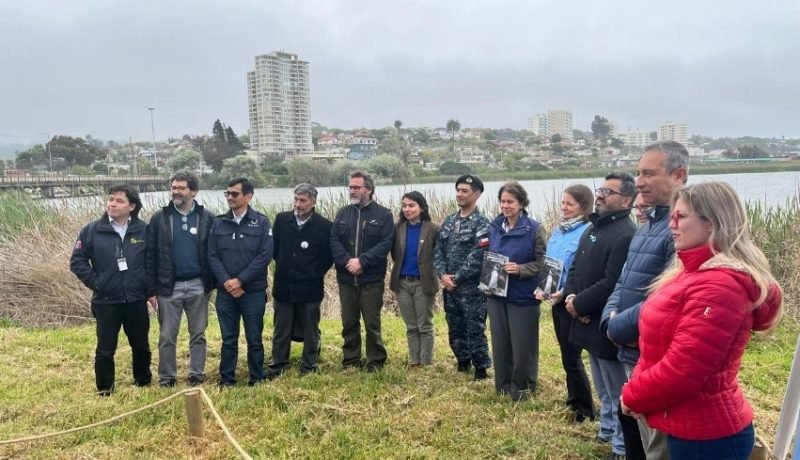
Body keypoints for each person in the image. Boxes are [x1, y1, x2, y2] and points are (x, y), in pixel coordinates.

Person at [621, 181, 783, 460]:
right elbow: (657, 348)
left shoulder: (719, 286)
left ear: (712, 223)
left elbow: (683, 369)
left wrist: (633, 395)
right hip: (684, 425)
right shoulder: (691, 272)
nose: (671, 224)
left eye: (681, 217)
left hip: (706, 437)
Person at [601, 140, 689, 460]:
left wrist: (617, 326)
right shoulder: (646, 227)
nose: (639, 181)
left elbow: (666, 298)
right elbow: (624, 281)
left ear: (678, 175)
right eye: (638, 173)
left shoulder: (681, 230)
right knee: (638, 436)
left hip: (654, 354)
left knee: (658, 445)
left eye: (649, 173)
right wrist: (609, 317)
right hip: (630, 348)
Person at [563, 172, 637, 459]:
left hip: (603, 320)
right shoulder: (592, 228)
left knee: (617, 387)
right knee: (602, 384)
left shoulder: (626, 233)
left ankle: (620, 444)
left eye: (609, 192)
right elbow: (575, 268)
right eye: (601, 190)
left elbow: (612, 282)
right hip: (583, 315)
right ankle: (606, 428)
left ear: (626, 200)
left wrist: (581, 305)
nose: (601, 195)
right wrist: (571, 298)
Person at [70, 184, 152, 395]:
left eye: (119, 201)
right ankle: (105, 388)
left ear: (132, 206)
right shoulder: (92, 230)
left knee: (141, 344)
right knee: (105, 348)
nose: (112, 204)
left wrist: (148, 290)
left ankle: (143, 381)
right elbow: (77, 261)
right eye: (111, 199)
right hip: (106, 300)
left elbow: (152, 262)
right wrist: (98, 283)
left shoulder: (143, 230)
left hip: (135, 299)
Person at [146, 172, 215, 388]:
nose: (176, 191)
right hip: (168, 287)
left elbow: (214, 252)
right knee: (167, 336)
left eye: (181, 188)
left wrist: (211, 284)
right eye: (173, 187)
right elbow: (150, 254)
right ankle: (167, 378)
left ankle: (196, 374)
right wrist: (151, 289)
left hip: (198, 285)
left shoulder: (207, 217)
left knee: (198, 334)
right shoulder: (160, 218)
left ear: (193, 191)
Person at [536, 184, 594, 420]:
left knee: (573, 357)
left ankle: (585, 410)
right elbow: (549, 264)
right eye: (563, 203)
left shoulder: (588, 231)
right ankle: (573, 399)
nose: (564, 207)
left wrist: (566, 292)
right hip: (555, 300)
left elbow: (581, 271)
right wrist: (544, 288)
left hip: (571, 299)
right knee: (564, 355)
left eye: (570, 204)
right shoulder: (559, 231)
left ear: (583, 206)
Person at [208, 178, 273, 387]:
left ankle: (257, 377)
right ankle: (227, 378)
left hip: (252, 291)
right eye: (227, 193)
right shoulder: (218, 222)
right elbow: (212, 256)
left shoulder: (262, 222)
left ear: (248, 196)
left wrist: (240, 280)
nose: (229, 198)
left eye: (234, 194)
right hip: (226, 293)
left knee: (254, 338)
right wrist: (227, 282)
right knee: (228, 339)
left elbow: (264, 255)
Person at [486, 181, 546, 401]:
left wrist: (520, 269)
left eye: (510, 201)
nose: (505, 206)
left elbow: (543, 263)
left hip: (522, 297)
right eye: (502, 201)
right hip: (496, 295)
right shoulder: (494, 226)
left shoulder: (534, 228)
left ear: (521, 203)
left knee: (523, 347)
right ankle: (502, 386)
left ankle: (523, 388)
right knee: (500, 344)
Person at [330, 171, 394, 372]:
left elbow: (385, 244)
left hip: (371, 279)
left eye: (357, 187)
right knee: (349, 322)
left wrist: (363, 262)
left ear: (369, 189)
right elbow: (333, 240)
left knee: (372, 323)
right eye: (351, 187)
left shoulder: (384, 215)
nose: (353, 190)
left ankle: (375, 361)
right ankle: (351, 360)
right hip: (346, 279)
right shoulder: (343, 213)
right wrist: (348, 261)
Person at [267, 183, 333, 378]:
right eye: (296, 199)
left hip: (310, 287)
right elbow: (275, 249)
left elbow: (328, 257)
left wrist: (312, 272)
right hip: (284, 285)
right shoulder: (281, 220)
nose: (298, 204)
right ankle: (278, 363)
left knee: (311, 328)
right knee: (281, 327)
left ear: (313, 202)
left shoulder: (324, 226)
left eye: (303, 200)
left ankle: (309, 364)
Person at [433, 175, 492, 380]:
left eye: (465, 191)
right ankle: (462, 361)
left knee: (475, 328)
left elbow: (478, 256)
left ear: (476, 194)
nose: (459, 194)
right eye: (458, 190)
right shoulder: (449, 221)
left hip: (471, 289)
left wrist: (456, 278)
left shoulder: (482, 223)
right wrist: (442, 275)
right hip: (450, 287)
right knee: (455, 326)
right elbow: (438, 250)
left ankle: (481, 368)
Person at [389, 191, 440, 368]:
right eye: (404, 206)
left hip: (423, 283)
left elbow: (438, 256)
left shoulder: (433, 229)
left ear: (422, 207)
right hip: (402, 282)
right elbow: (395, 255)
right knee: (411, 326)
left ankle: (426, 362)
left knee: (424, 325)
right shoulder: (397, 228)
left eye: (411, 205)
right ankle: (414, 361)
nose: (407, 209)